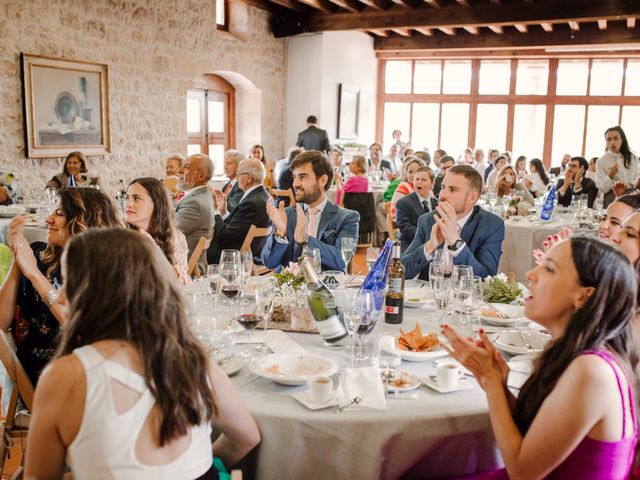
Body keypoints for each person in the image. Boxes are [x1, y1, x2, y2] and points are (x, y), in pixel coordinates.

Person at [24, 228, 260, 478]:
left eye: (69, 283)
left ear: (101, 293)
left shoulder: (66, 376)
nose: (59, 297)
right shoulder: (194, 359)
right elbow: (247, 437)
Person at [443, 236, 639, 479]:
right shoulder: (577, 354)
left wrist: (491, 381)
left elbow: (523, 473)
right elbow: (537, 435)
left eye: (549, 268)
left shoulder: (592, 371)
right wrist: (496, 384)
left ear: (583, 297)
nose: (531, 274)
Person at [0, 188, 121, 384]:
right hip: (48, 372)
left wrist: (33, 274)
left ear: (84, 219)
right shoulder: (40, 256)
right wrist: (18, 261)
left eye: (59, 213)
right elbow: (1, 322)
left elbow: (83, 331)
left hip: (95, 369)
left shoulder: (105, 268)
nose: (48, 220)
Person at [261, 151, 359, 272]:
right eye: (294, 177)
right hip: (291, 288)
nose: (295, 184)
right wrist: (280, 234)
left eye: (302, 177)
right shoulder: (286, 215)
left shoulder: (347, 218)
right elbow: (269, 262)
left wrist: (305, 239)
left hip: (328, 288)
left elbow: (341, 260)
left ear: (323, 180)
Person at [401, 165, 504, 280]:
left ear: (472, 197)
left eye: (453, 189)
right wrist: (430, 246)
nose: (442, 195)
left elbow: (486, 279)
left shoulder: (491, 225)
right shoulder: (428, 220)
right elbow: (401, 271)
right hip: (429, 295)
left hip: (465, 297)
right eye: (443, 187)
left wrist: (455, 241)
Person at [125, 177, 190, 284]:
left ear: (156, 204)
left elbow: (183, 283)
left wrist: (154, 251)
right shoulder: (120, 236)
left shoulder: (175, 237)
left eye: (136, 198)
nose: (128, 204)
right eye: (127, 197)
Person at [207, 158, 272, 264]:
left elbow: (225, 237)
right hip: (255, 251)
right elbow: (238, 226)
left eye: (238, 174)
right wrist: (223, 211)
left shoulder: (252, 202)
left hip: (234, 257)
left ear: (249, 177)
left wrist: (215, 211)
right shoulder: (263, 195)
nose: (236, 178)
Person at [174, 154, 215, 275]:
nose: (179, 171)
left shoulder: (195, 203)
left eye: (186, 167)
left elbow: (165, 231)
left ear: (201, 176)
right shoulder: (198, 197)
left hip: (184, 271)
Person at [395, 166, 437, 253]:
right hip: (409, 244)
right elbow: (404, 227)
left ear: (432, 183)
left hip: (434, 245)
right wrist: (428, 237)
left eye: (423, 180)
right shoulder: (403, 202)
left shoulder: (437, 203)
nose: (419, 182)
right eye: (417, 179)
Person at [596, 126, 638, 208]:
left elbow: (636, 178)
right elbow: (602, 188)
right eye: (609, 139)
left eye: (615, 138)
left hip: (631, 197)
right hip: (611, 199)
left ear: (622, 140)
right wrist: (610, 175)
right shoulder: (601, 161)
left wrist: (627, 188)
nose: (612, 142)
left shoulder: (633, 158)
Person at [221, 150, 245, 214]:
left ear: (239, 167)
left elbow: (232, 209)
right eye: (225, 163)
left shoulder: (241, 186)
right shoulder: (226, 186)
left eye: (228, 163)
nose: (225, 167)